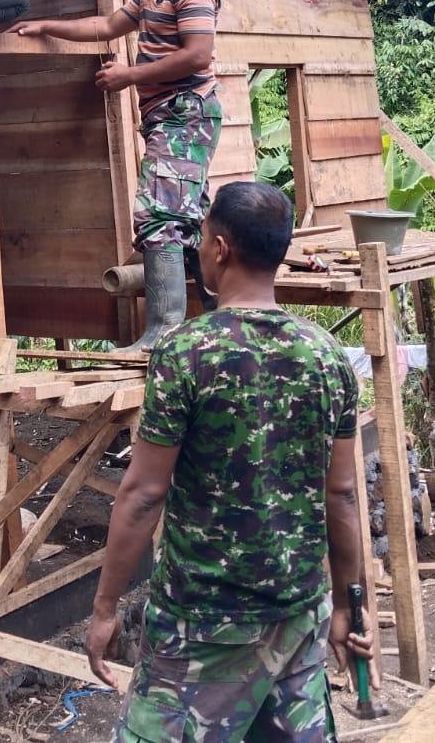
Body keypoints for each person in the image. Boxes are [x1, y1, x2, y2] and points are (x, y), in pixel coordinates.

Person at [85, 181, 373, 742]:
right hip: (297, 610)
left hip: (203, 624)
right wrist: (347, 603)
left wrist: (104, 607)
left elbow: (144, 494)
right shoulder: (326, 354)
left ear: (219, 248)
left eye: (200, 242)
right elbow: (342, 495)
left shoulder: (186, 352)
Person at [9, 0, 219, 350]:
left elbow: (198, 55)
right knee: (189, 217)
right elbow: (106, 25)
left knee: (160, 214)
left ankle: (163, 331)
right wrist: (47, 26)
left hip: (186, 112)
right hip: (172, 116)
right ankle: (219, 321)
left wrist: (129, 76)